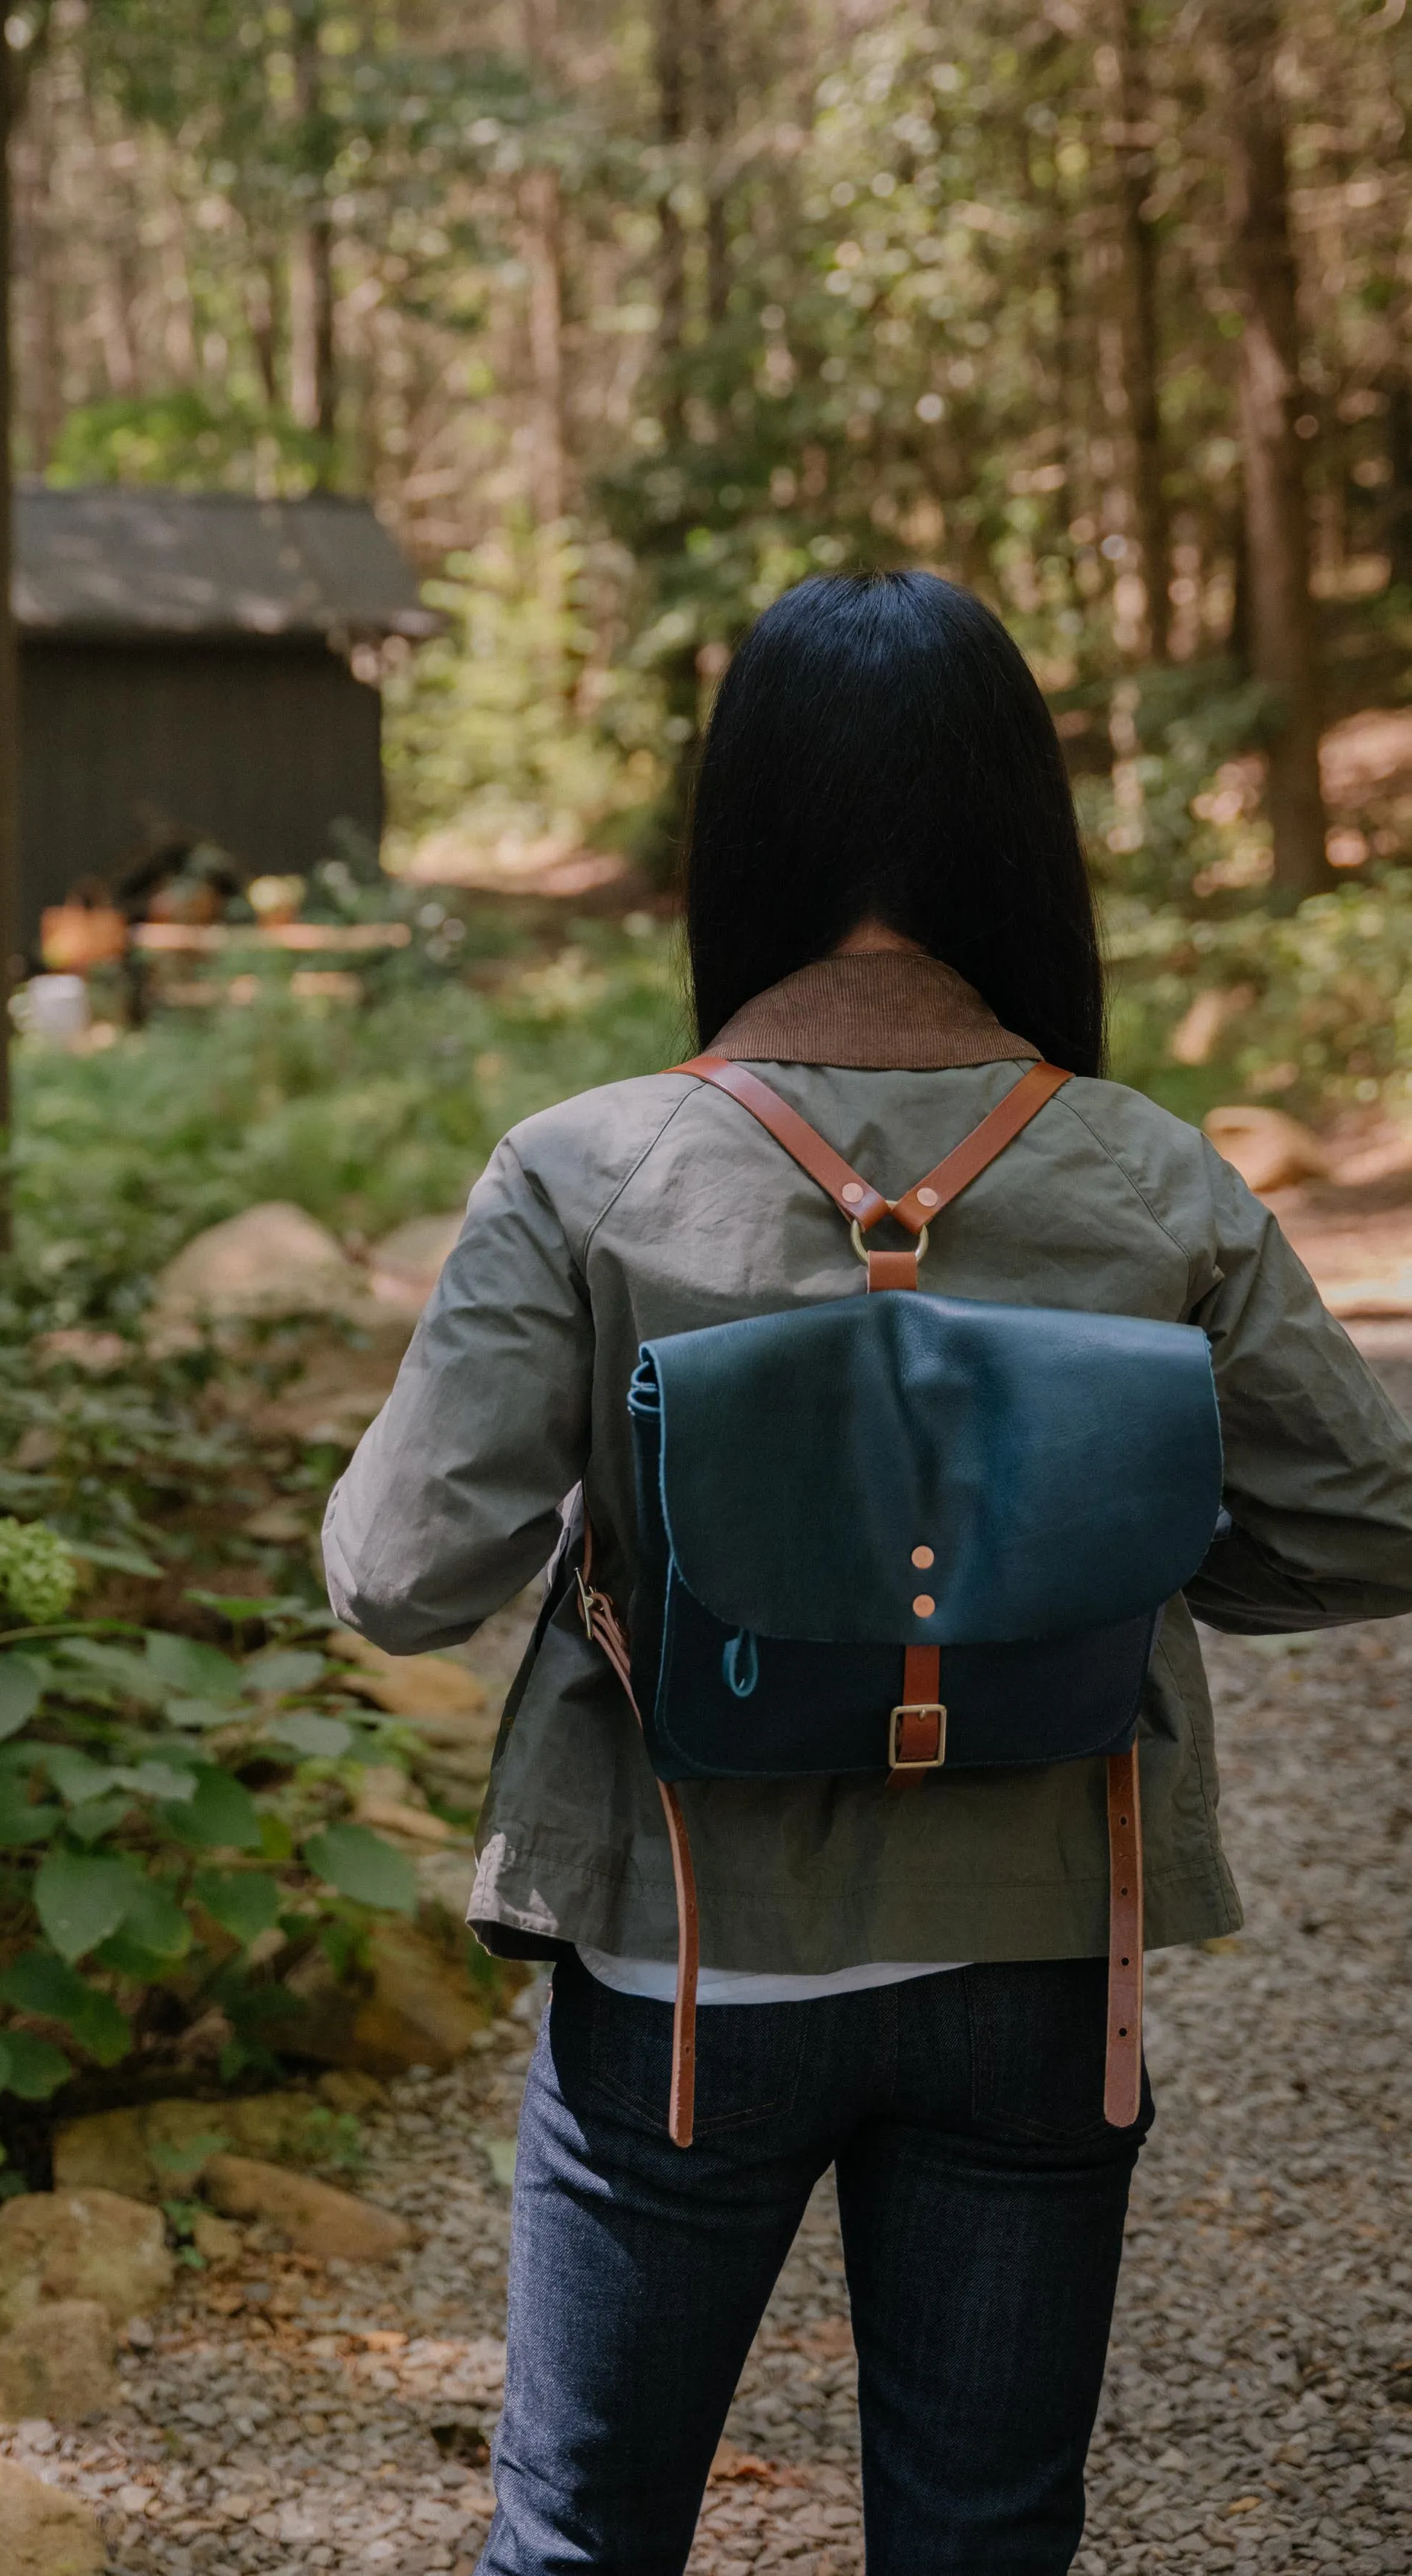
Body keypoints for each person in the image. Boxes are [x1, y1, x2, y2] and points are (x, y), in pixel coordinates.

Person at [321, 568, 1412, 2576]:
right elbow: (1370, 1518)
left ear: (729, 840)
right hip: (1031, 1960)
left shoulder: (582, 1169)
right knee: (982, 2534)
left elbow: (393, 1572)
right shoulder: (1150, 1170)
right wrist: (1103, 1563)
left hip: (684, 1963)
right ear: (1026, 836)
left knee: (578, 2535)